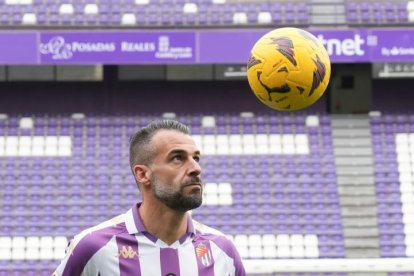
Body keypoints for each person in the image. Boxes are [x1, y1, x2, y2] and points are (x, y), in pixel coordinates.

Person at [53, 119, 246, 276]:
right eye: (178, 158)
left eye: (196, 158)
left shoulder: (222, 250)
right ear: (143, 174)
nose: (196, 168)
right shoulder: (93, 246)